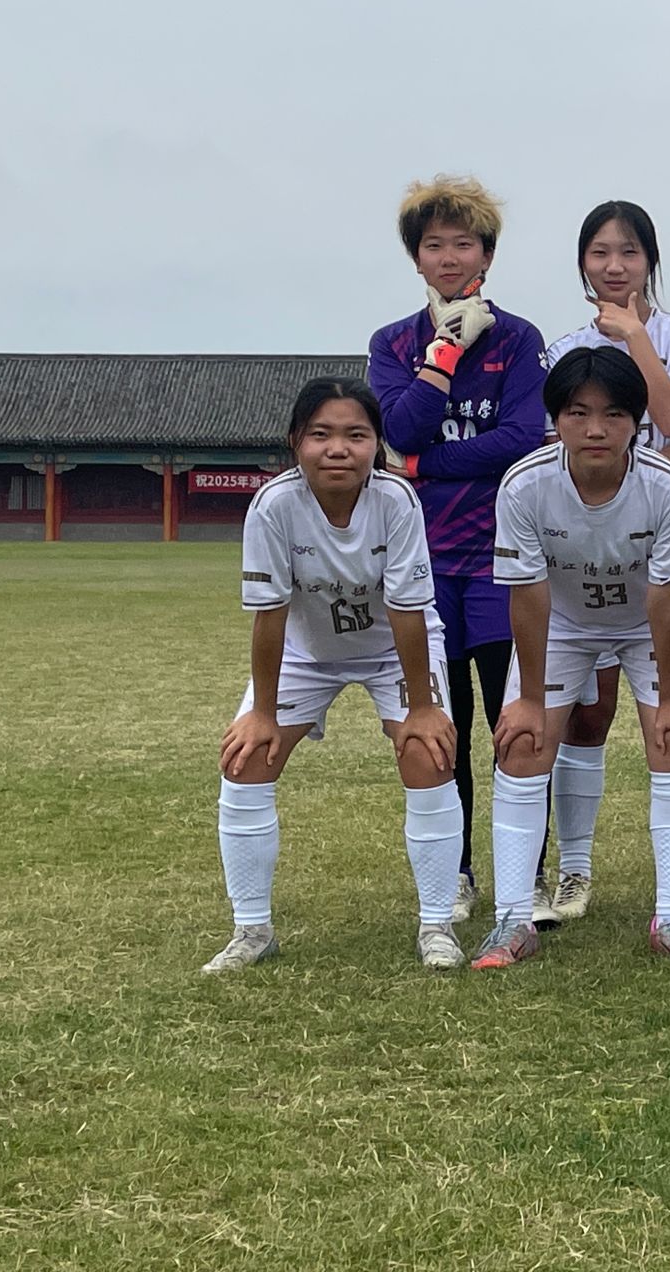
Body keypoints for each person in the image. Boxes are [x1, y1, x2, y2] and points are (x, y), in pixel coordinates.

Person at [204, 378, 461, 973]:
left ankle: (437, 925)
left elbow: (408, 610)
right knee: (246, 760)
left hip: (395, 650)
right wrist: (262, 714)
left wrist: (422, 709)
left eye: (356, 435)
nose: (338, 448)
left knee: (427, 755)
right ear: (296, 441)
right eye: (320, 434)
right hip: (307, 651)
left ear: (377, 444)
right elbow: (269, 615)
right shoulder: (273, 505)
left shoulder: (396, 500)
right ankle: (251, 930)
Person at [477, 347, 670, 969]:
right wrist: (529, 699)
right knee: (523, 743)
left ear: (637, 421)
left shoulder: (666, 487)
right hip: (563, 624)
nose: (596, 429)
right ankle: (511, 921)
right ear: (557, 419)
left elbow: (666, 594)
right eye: (578, 413)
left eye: (613, 414)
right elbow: (528, 594)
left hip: (646, 624)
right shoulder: (525, 485)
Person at [367, 176, 546, 923]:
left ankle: (528, 877)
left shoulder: (520, 339)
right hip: (423, 562)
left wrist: (419, 466)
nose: (448, 257)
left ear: (487, 255)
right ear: (416, 258)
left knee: (516, 720)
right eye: (433, 245)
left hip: (503, 560)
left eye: (463, 244)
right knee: (444, 723)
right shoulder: (392, 344)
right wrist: (442, 353)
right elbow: (399, 427)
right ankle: (461, 870)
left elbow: (521, 439)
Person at [535, 200, 670, 925]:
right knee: (585, 718)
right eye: (600, 253)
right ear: (582, 262)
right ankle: (574, 872)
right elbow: (562, 451)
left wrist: (636, 336)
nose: (614, 267)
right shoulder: (562, 349)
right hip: (584, 560)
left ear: (651, 260)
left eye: (630, 252)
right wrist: (662, 456)